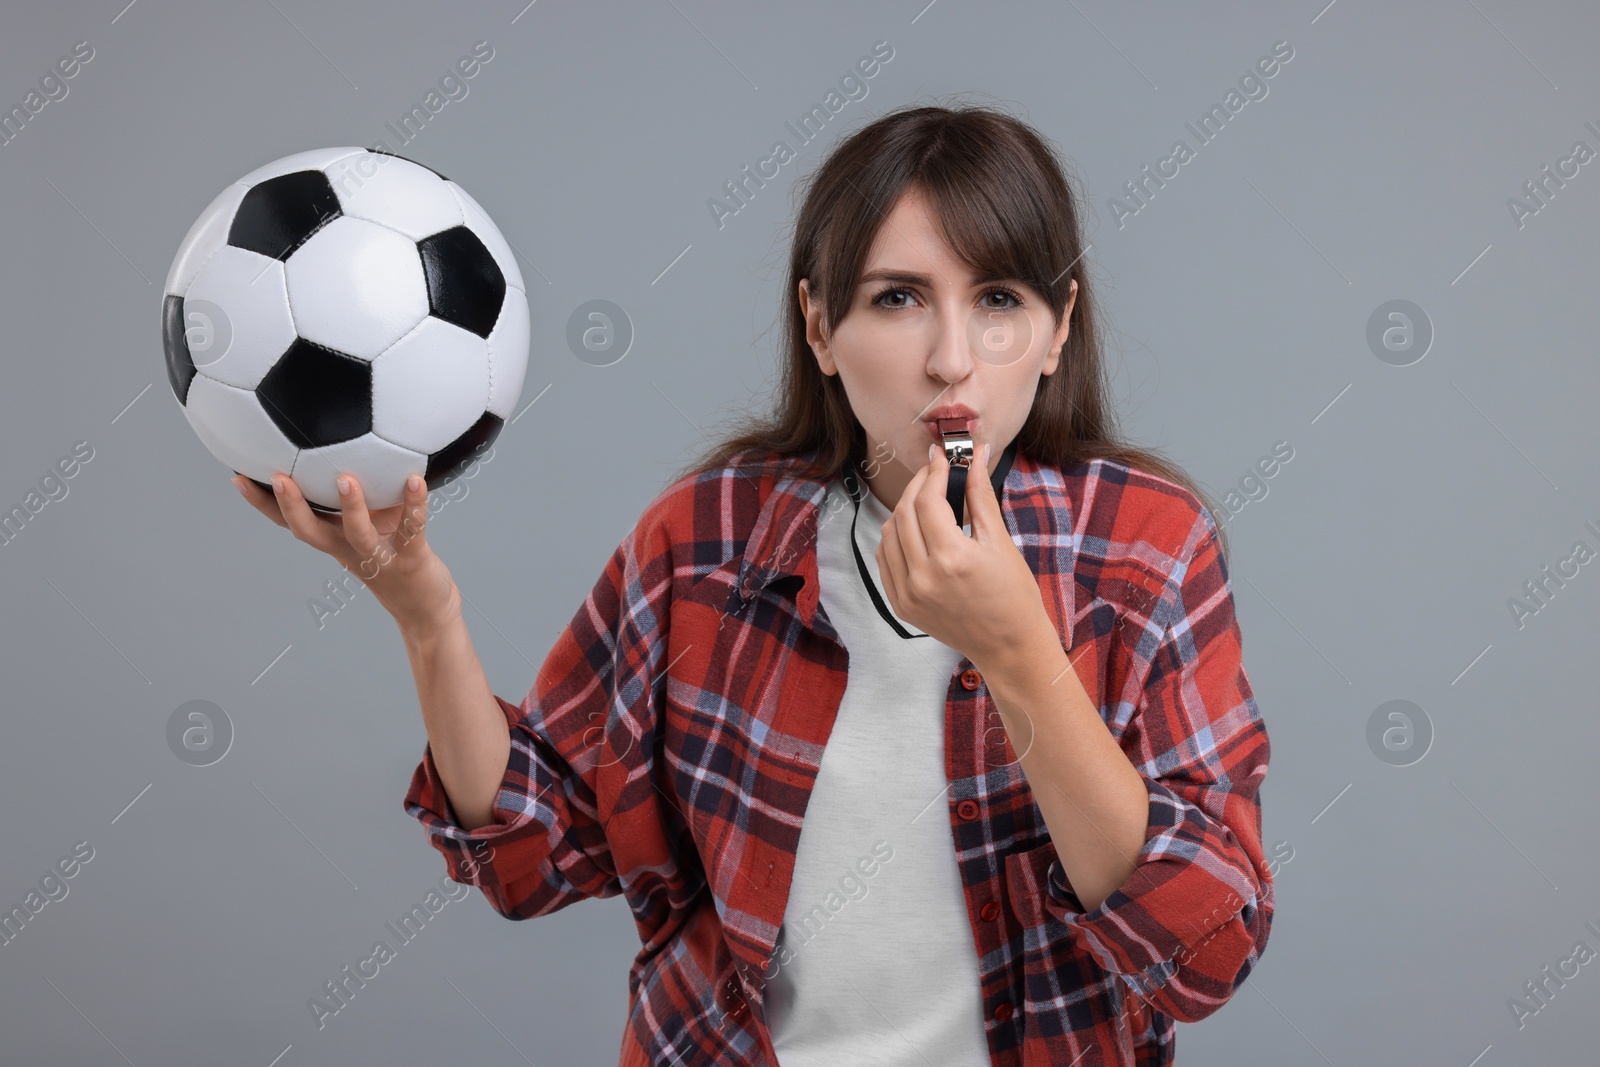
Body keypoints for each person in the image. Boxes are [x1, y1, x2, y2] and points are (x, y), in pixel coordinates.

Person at [235, 101, 1273, 1067]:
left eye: (998, 300)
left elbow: (1200, 952)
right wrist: (427, 614)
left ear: (1055, 331)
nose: (951, 358)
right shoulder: (711, 535)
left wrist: (1014, 651)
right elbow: (535, 848)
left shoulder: (1144, 545)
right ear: (820, 328)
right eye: (898, 298)